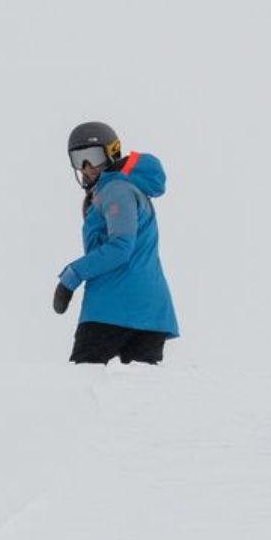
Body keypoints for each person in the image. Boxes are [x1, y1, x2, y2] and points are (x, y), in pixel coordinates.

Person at [52, 120, 178, 363]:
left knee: (81, 384)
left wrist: (72, 275)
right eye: (80, 160)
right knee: (142, 397)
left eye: (93, 157)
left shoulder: (115, 189)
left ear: (112, 152)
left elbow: (121, 246)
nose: (88, 167)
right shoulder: (126, 189)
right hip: (152, 314)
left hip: (112, 307)